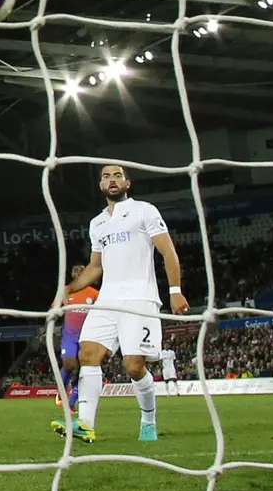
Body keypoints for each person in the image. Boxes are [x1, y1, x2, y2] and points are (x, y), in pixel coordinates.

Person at [52, 165, 188, 444]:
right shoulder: (97, 223)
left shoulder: (145, 211)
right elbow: (95, 266)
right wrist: (69, 287)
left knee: (134, 366)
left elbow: (168, 252)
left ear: (128, 182)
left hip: (140, 298)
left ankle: (148, 420)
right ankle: (85, 424)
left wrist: (175, 290)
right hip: (108, 300)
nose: (111, 180)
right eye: (105, 176)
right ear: (101, 186)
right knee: (87, 353)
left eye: (117, 176)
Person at [56, 266, 99, 410]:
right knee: (69, 364)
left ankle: (71, 403)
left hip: (87, 335)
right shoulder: (67, 292)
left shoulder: (94, 294)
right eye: (75, 272)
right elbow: (55, 309)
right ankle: (61, 392)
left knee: (84, 369)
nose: (77, 274)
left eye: (81, 272)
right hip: (70, 335)